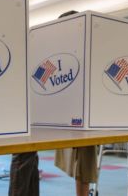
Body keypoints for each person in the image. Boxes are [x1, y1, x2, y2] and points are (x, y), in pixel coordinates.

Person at [53, 10, 98, 196]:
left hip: (85, 114)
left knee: (85, 165)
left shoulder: (87, 50)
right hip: (62, 113)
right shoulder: (56, 53)